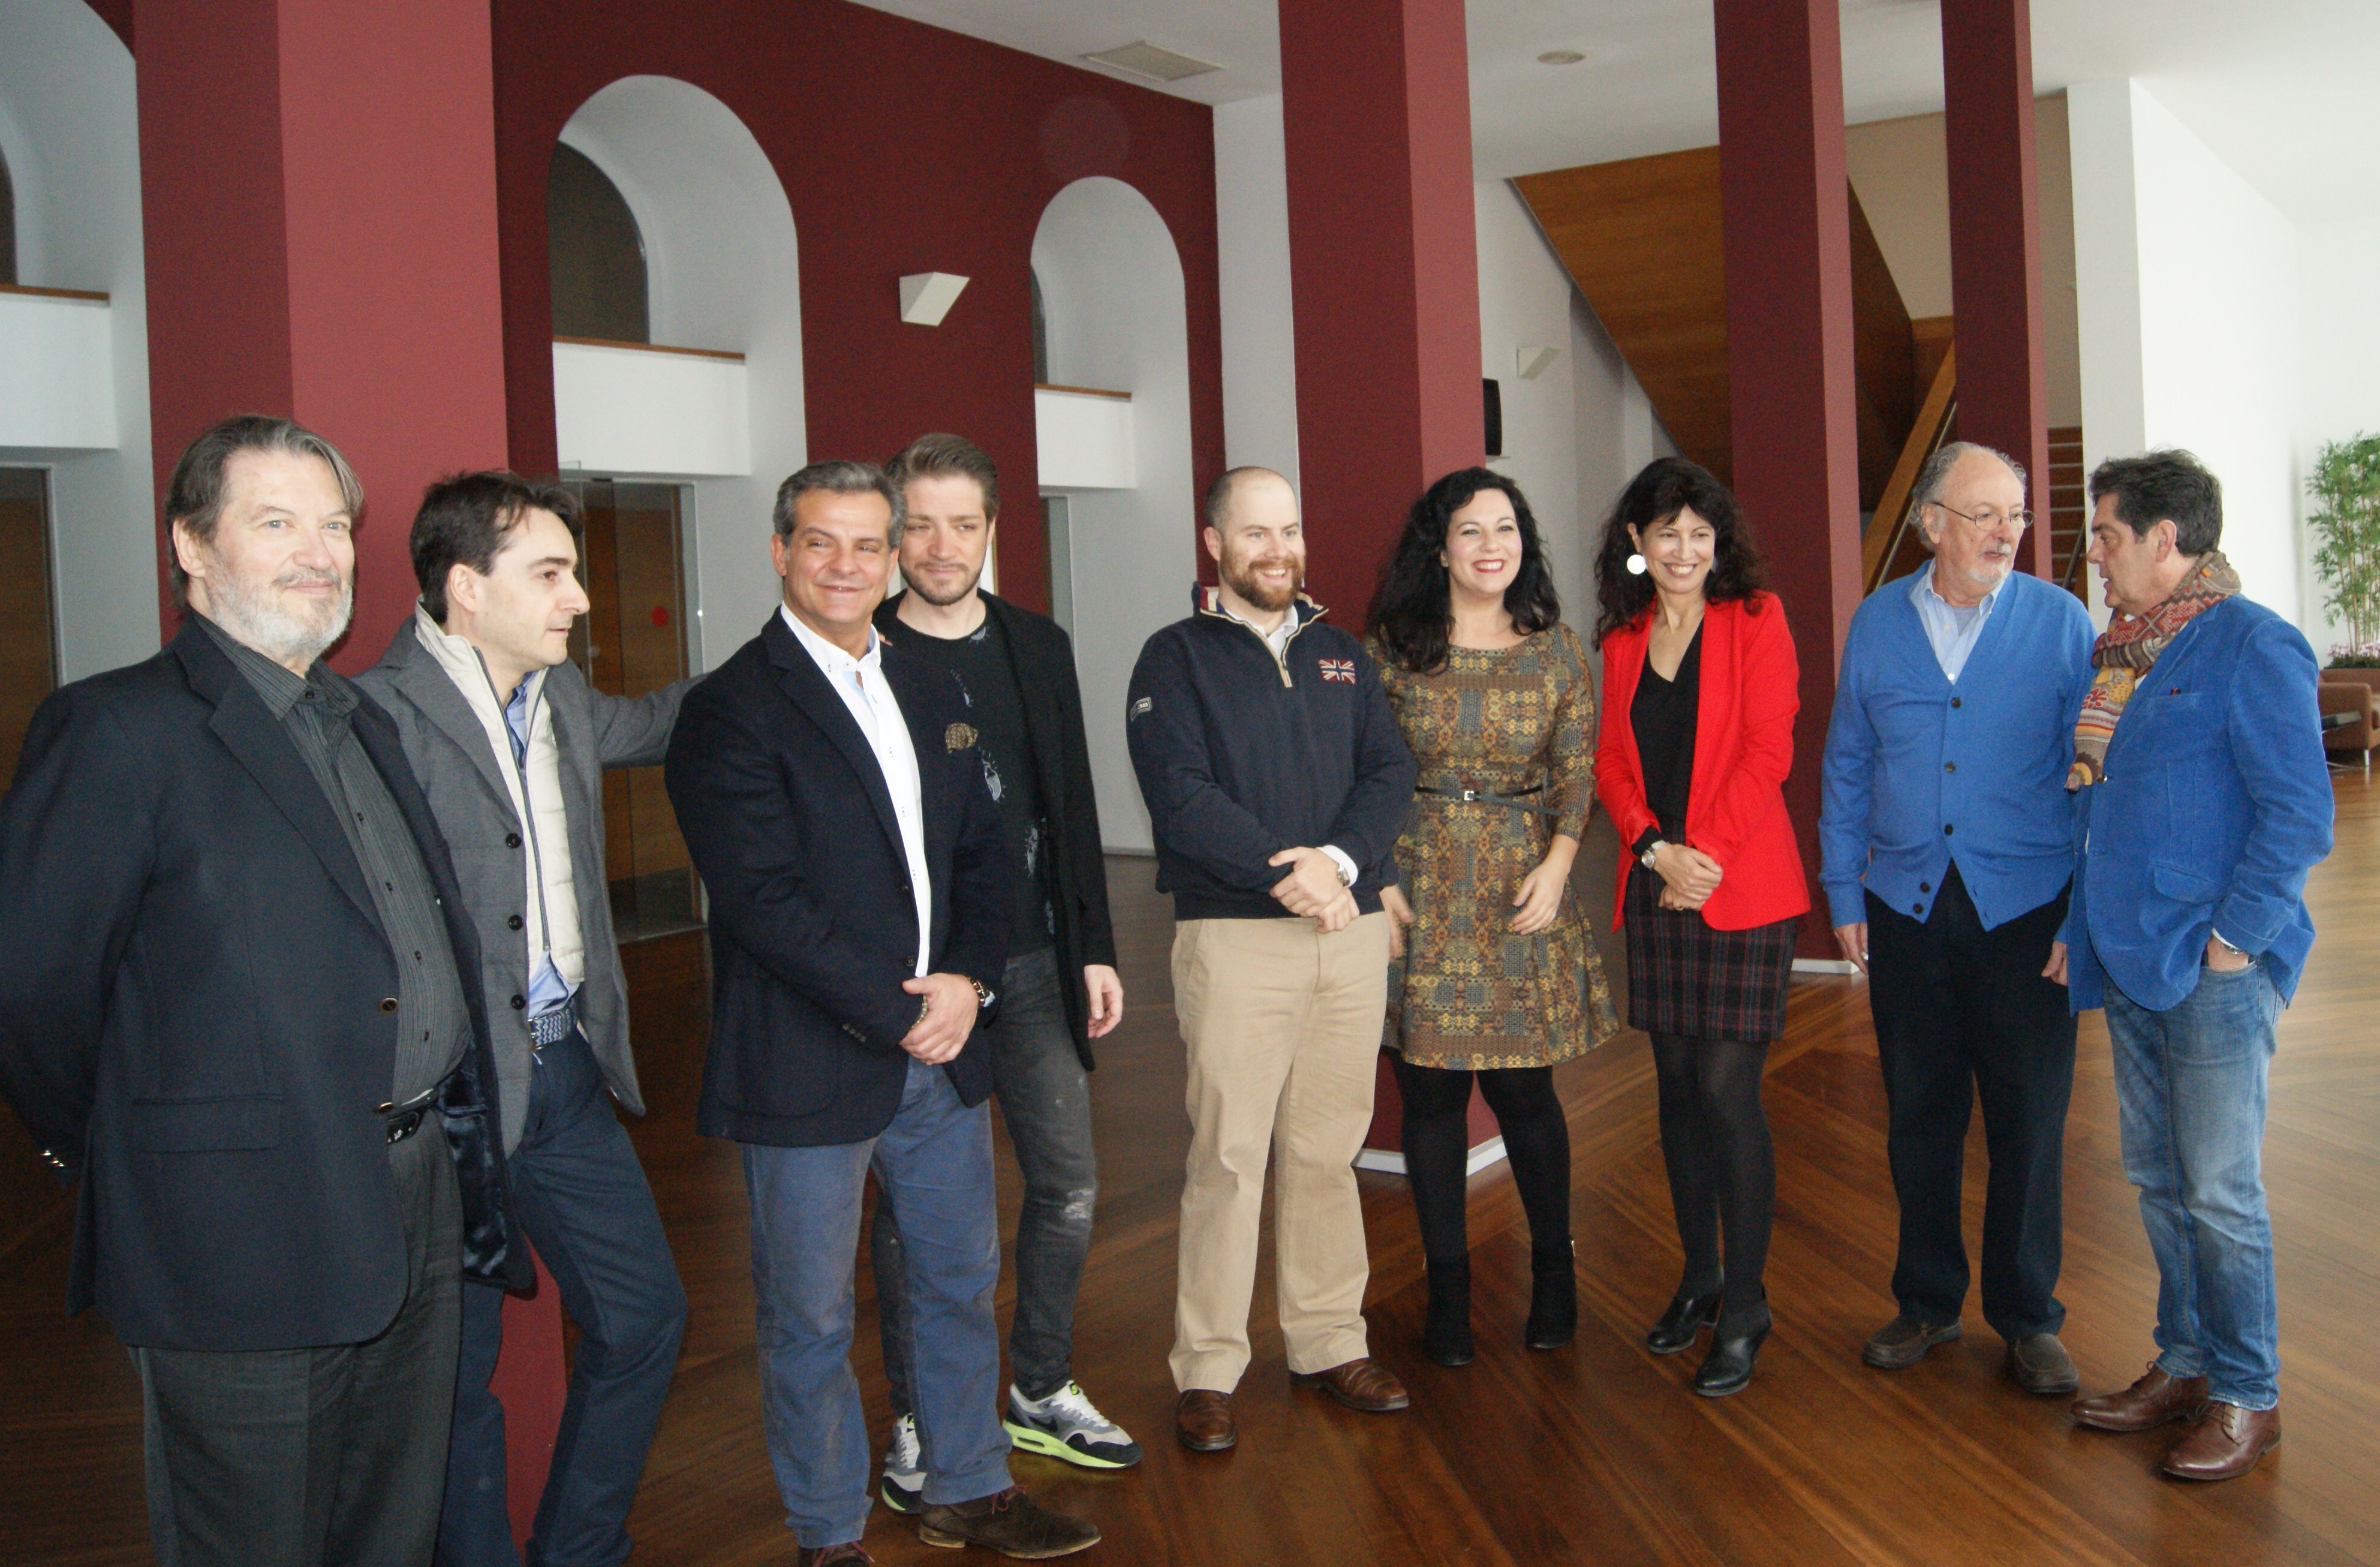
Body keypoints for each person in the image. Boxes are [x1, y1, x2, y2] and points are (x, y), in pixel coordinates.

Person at [0, 414, 524, 1565]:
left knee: (389, 1530)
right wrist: (142, 1146)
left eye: (334, 526)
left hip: (414, 1200)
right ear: (192, 546)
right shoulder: (116, 729)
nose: (319, 552)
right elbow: (32, 991)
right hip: (237, 1232)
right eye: (276, 522)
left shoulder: (359, 719)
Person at [664, 461, 1096, 1564]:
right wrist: (900, 1010)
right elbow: (762, 901)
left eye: (868, 544)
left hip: (941, 1052)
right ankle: (827, 1533)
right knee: (809, 1317)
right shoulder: (728, 707)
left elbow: (985, 857)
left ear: (892, 554)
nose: (847, 565)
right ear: (780, 551)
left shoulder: (930, 688)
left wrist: (968, 984)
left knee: (957, 1281)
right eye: (822, 542)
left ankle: (969, 1487)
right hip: (809, 1061)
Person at [356, 471, 692, 1566]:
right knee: (453, 1374)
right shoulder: (372, 718)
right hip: (450, 1095)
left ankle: (577, 1550)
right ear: (465, 585)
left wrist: (803, 644)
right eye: (550, 574)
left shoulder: (565, 701)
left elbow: (667, 720)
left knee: (643, 1316)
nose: (579, 598)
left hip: (565, 1076)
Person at [864, 433, 1138, 1503]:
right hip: (919, 983)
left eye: (963, 524)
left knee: (1067, 1183)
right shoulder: (863, 647)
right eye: (919, 524)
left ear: (991, 530)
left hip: (1031, 963)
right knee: (913, 1212)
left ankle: (1038, 1384)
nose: (941, 546)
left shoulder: (1037, 644)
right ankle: (922, 1412)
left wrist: (1094, 945)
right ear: (895, 534)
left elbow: (1069, 800)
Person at [1127, 465, 1420, 1454]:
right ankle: (1208, 1366)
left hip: (1348, 935)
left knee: (1326, 1150)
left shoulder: (1341, 653)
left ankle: (1328, 1338)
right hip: (1236, 938)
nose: (1277, 549)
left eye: (1288, 530)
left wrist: (1341, 863)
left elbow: (1390, 769)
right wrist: (1289, 872)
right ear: (1214, 543)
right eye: (1254, 533)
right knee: (1227, 1156)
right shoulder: (1173, 658)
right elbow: (1181, 795)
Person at [2060, 450, 2331, 1482]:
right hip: (2129, 951)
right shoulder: (2121, 651)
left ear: (2164, 540)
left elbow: (2298, 813)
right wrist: (2078, 928)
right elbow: (2096, 806)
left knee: (2217, 1191)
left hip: (2210, 965)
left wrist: (2234, 942)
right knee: (2159, 1178)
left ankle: (2248, 1392)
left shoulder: (2254, 643)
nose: (2094, 553)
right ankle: (2184, 1362)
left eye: (2106, 534)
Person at [1818, 442, 2097, 1397]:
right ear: (1930, 522)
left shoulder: (2059, 623)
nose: (2006, 532)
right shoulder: (1875, 623)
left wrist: (2081, 916)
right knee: (1919, 1116)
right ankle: (1927, 1299)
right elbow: (1846, 760)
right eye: (1984, 513)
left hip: (2026, 911)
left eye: (2016, 514)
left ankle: (2027, 1316)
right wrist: (1843, 890)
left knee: (2028, 1120)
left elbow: (2093, 776)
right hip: (1905, 906)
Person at [1364, 467, 1621, 1368]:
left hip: (1520, 884)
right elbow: (1363, 768)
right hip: (1418, 883)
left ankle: (1555, 1272)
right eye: (1470, 530)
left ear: (1524, 543)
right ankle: (1448, 1290)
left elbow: (1578, 769)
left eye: (1505, 528)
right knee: (1430, 1098)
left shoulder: (1556, 649)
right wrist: (1377, 878)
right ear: (1439, 548)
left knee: (1524, 1093)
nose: (1490, 547)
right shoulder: (1391, 649)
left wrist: (1559, 861)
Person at [1591, 456, 1809, 1398]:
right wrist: (1653, 849)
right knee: (1677, 1092)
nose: (1682, 549)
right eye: (1665, 533)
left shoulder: (1754, 617)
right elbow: (1609, 761)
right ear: (1636, 542)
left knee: (1725, 1089)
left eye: (1698, 533)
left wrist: (1700, 856)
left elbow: (1769, 747)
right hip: (1657, 883)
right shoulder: (1621, 638)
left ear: (1717, 541)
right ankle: (1699, 1277)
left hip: (1738, 884)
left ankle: (1748, 1302)